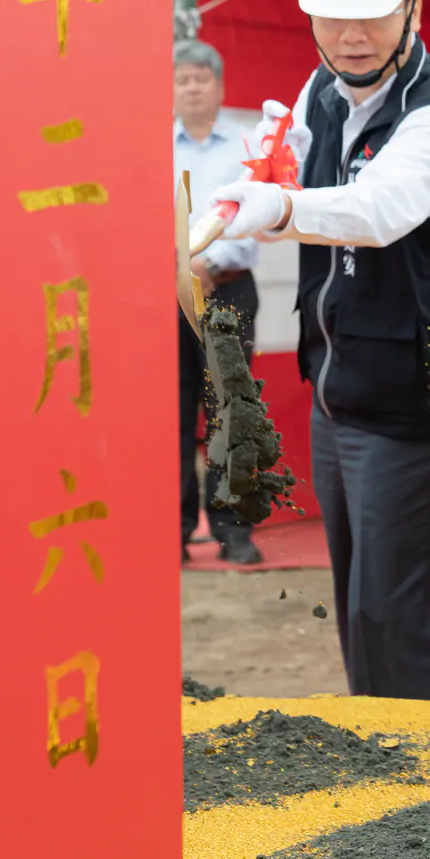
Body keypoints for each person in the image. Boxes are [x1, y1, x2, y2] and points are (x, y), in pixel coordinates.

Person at [210, 0, 430, 700]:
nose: (352, 33)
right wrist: (261, 173)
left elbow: (375, 211)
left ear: (414, 8)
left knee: (396, 617)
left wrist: (278, 209)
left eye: (372, 12)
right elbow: (290, 161)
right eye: (332, 14)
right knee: (360, 614)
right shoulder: (319, 93)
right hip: (339, 393)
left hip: (417, 400)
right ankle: (385, 773)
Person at [174, 38, 264, 565]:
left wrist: (205, 266)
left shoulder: (244, 148)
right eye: (182, 79)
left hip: (227, 288)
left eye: (200, 79)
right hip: (164, 293)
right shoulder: (154, 142)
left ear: (219, 87)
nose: (191, 87)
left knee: (228, 409)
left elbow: (253, 217)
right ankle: (176, 527)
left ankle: (234, 529)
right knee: (171, 411)